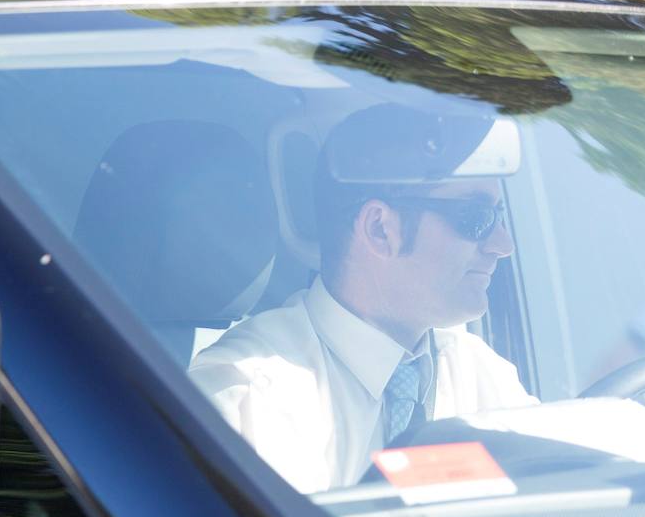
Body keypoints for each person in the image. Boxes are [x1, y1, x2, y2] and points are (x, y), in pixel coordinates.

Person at [189, 102, 537, 493]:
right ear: (380, 229)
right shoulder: (249, 401)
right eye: (476, 218)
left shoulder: (483, 375)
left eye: (499, 215)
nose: (502, 244)